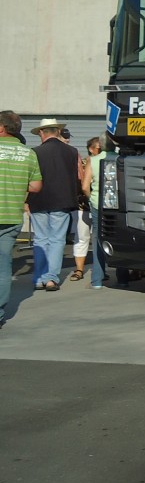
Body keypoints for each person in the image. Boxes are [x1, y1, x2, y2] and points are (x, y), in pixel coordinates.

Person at [26, 118, 85, 292]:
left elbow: (29, 178)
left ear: (41, 133)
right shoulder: (72, 151)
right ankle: (51, 278)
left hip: (38, 200)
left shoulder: (34, 152)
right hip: (62, 200)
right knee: (57, 240)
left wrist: (25, 200)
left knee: (41, 239)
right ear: (58, 132)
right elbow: (79, 176)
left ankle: (39, 278)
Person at [1, 111, 43, 329]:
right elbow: (36, 186)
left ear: (1, 128)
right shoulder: (28, 153)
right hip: (11, 216)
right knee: (3, 266)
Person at [63, 127, 91, 282]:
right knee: (83, 237)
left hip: (79, 203)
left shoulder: (79, 157)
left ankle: (80, 270)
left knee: (81, 237)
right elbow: (81, 181)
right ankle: (84, 270)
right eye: (66, 137)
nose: (68, 140)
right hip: (81, 203)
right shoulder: (76, 156)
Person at [79, 137, 107, 289]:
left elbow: (84, 186)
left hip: (98, 203)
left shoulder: (93, 161)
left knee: (97, 239)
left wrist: (91, 198)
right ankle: (123, 278)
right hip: (117, 203)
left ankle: (97, 280)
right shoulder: (119, 158)